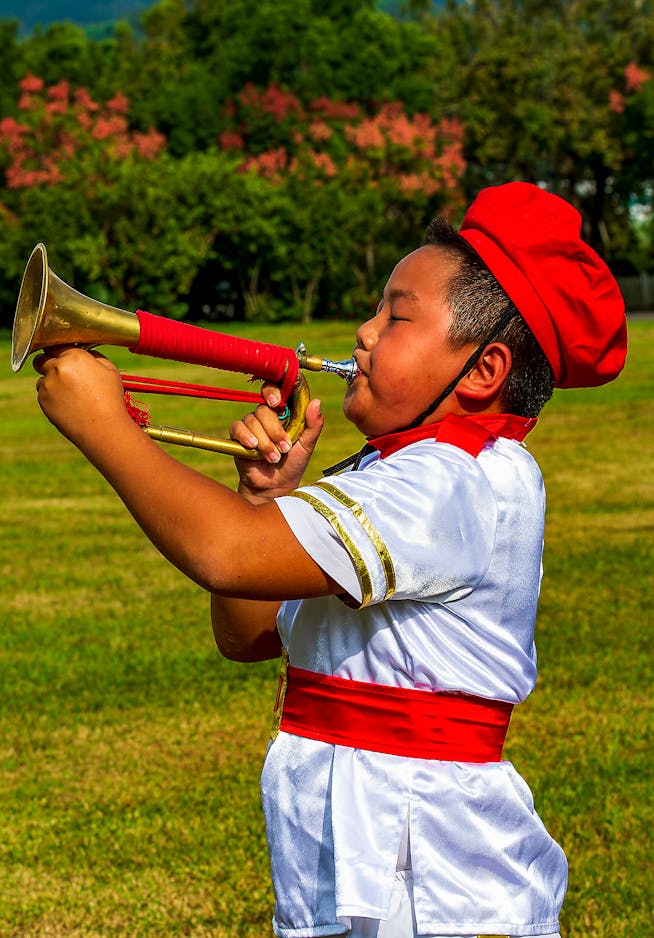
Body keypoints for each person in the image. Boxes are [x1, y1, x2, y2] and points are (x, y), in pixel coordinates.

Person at [33, 182, 627, 938]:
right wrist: (263, 501)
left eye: (397, 315)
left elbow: (224, 556)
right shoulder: (394, 472)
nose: (365, 331)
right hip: (362, 845)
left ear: (482, 371)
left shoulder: (451, 483)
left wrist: (104, 427)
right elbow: (246, 636)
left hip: (434, 869)